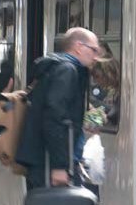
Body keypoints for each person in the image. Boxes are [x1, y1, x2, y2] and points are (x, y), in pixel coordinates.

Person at [16, 27, 100, 188]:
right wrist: (60, 166)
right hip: (49, 162)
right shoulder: (67, 71)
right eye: (94, 50)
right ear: (78, 47)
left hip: (47, 160)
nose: (96, 57)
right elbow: (55, 118)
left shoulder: (56, 68)